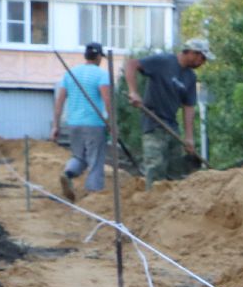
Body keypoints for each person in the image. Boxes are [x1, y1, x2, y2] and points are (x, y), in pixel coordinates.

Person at [124, 39, 211, 187]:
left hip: (171, 126)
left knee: (175, 173)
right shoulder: (163, 61)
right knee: (156, 168)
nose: (202, 62)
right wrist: (133, 92)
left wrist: (189, 138)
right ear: (191, 52)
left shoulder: (190, 77)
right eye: (202, 57)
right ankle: (153, 203)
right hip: (153, 123)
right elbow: (132, 64)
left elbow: (188, 107)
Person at [52, 42, 112, 202]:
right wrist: (111, 122)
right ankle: (94, 195)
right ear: (99, 56)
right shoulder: (102, 75)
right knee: (96, 160)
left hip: (74, 123)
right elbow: (107, 99)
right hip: (94, 123)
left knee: (79, 156)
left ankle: (68, 173)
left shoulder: (71, 74)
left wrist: (55, 125)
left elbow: (60, 100)